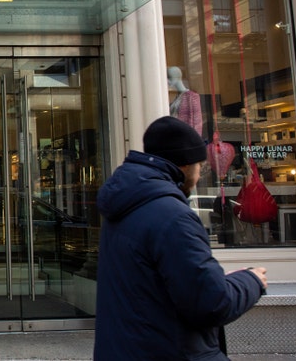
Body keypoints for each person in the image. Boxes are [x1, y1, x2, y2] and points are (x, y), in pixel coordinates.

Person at [94, 116, 268, 360]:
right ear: (186, 165)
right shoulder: (172, 217)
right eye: (199, 166)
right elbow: (212, 303)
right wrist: (251, 280)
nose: (198, 177)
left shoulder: (126, 208)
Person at [168, 66, 203, 137]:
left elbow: (196, 122)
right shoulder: (177, 97)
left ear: (177, 77)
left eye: (169, 77)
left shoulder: (192, 96)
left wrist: (193, 142)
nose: (167, 81)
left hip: (185, 138)